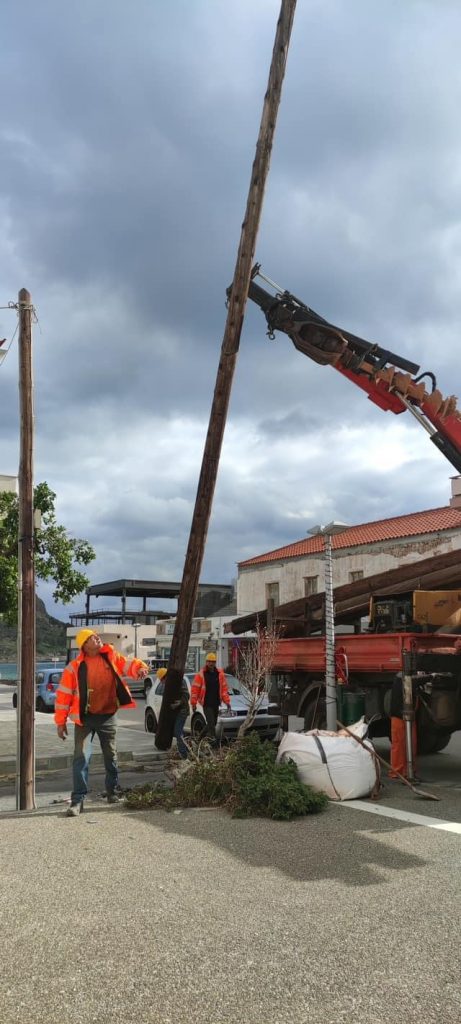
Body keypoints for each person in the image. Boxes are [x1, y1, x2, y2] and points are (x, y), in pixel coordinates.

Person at [54, 629, 148, 816]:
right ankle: (78, 801)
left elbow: (130, 664)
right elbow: (63, 696)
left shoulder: (111, 656)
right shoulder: (74, 667)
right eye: (91, 637)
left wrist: (140, 668)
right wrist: (60, 722)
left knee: (111, 756)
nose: (97, 638)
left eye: (96, 636)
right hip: (85, 719)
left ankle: (112, 791)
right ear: (84, 645)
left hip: (108, 716)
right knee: (81, 758)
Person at [190, 652, 231, 745]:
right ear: (206, 662)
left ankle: (199, 739)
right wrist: (193, 703)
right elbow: (195, 689)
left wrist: (227, 701)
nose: (211, 664)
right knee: (211, 724)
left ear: (215, 662)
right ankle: (214, 742)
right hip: (206, 703)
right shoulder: (201, 674)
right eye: (209, 662)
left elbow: (224, 689)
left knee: (213, 723)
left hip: (216, 702)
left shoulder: (220, 674)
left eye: (213, 662)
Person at [388, 673, 418, 781]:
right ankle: (397, 772)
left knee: (411, 744)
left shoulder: (404, 677)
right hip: (399, 716)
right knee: (399, 744)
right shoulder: (401, 678)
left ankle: (408, 771)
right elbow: (413, 681)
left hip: (409, 715)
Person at [156, 667, 190, 759]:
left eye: (162, 680)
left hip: (182, 710)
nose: (162, 682)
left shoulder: (179, 681)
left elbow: (186, 694)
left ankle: (184, 755)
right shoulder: (168, 685)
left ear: (165, 677)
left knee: (178, 732)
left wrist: (180, 702)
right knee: (178, 732)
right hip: (175, 712)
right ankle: (186, 749)